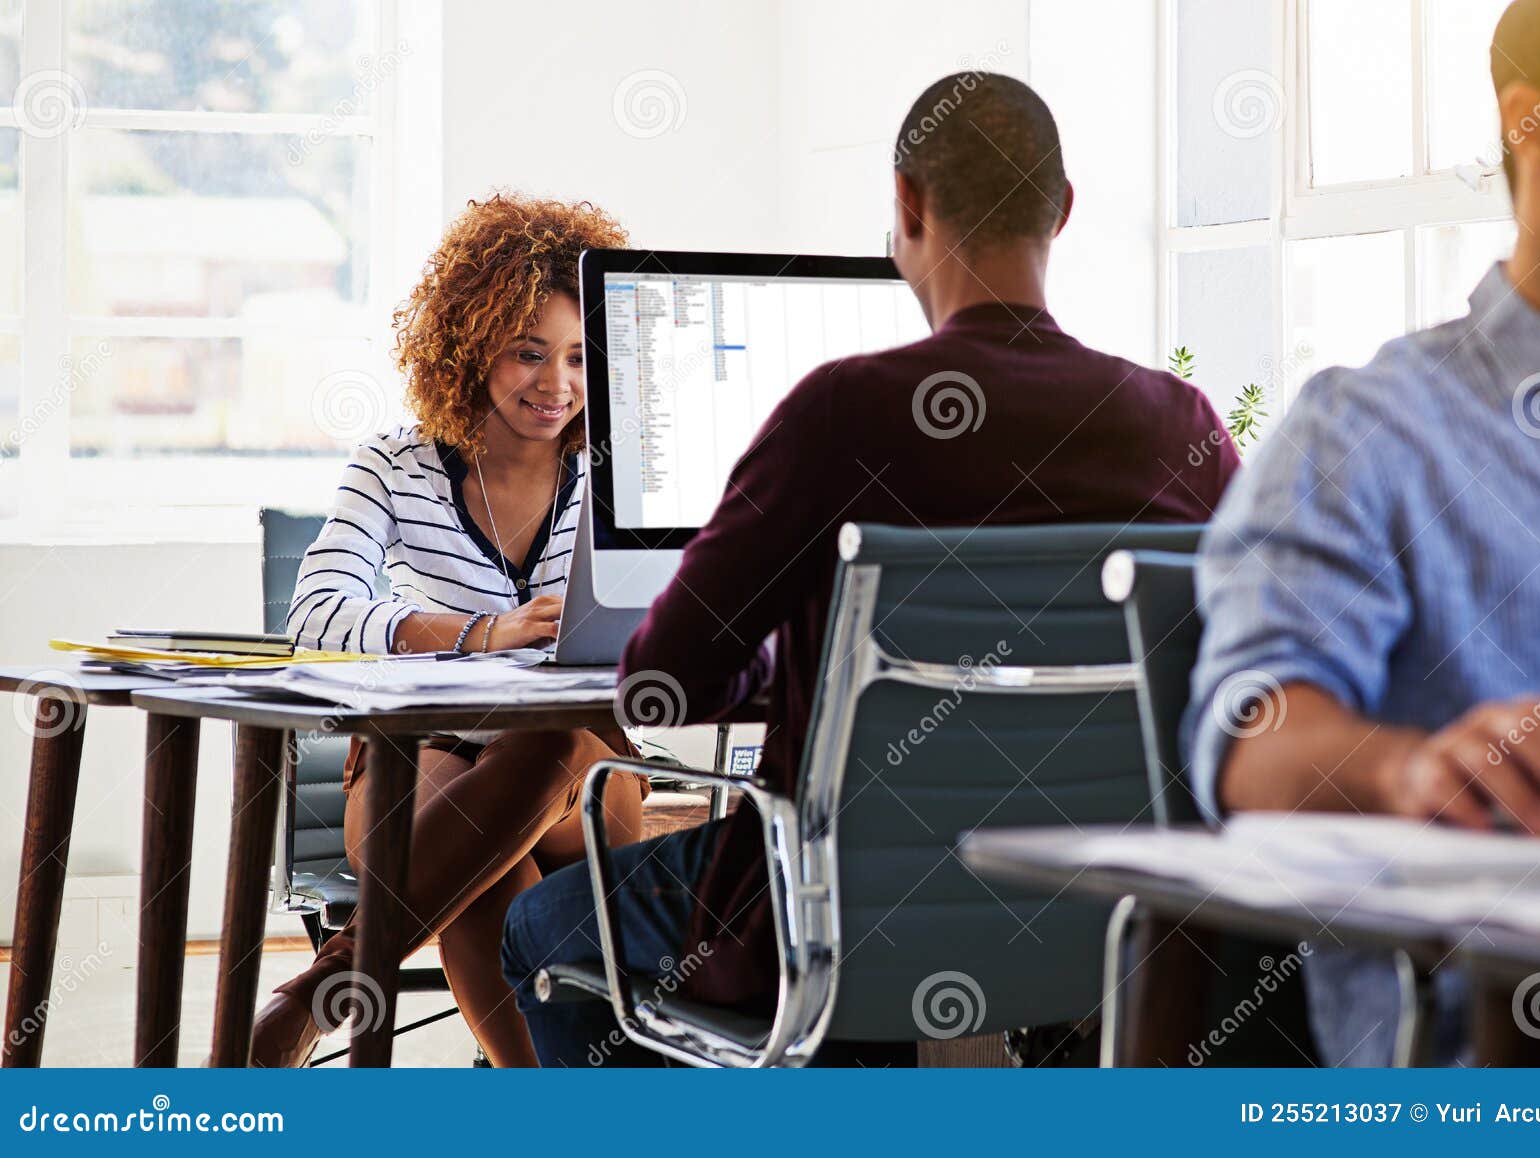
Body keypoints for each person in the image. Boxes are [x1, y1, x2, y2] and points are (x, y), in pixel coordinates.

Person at [500, 72, 1241, 1065]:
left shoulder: (841, 413)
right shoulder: (1177, 425)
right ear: (1061, 212)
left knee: (543, 930)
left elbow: (663, 686)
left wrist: (803, 676)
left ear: (904, 205)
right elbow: (1241, 665)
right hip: (1101, 923)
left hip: (833, 921)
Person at [1185, 0, 1540, 1066]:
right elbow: (1252, 737)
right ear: (1536, 126)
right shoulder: (1367, 434)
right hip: (1516, 1052)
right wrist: (1409, 771)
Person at [250, 194, 650, 1067]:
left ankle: (316, 996)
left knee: (548, 748)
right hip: (422, 754)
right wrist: (478, 633)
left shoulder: (621, 477)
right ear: (471, 347)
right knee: (477, 874)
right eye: (529, 353)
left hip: (588, 768)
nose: (557, 386)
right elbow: (316, 614)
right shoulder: (397, 465)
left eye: (583, 359)